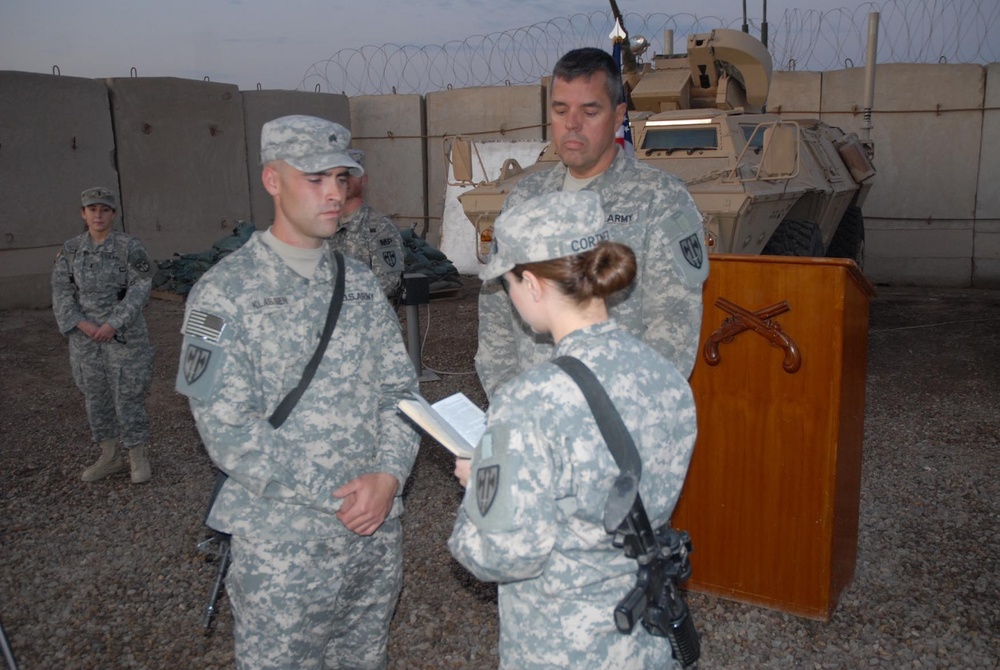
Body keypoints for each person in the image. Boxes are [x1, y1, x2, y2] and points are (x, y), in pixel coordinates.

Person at [175, 115, 419, 670]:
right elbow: (227, 430)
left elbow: (400, 393)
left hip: (373, 538)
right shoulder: (221, 294)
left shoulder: (357, 282)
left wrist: (389, 476)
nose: (335, 193)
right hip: (284, 550)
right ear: (272, 181)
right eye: (315, 178)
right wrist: (338, 495)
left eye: (341, 177)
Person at [449, 190, 698, 670]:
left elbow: (499, 554)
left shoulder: (529, 400)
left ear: (532, 283)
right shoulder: (664, 374)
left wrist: (481, 484)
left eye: (508, 284)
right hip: (644, 638)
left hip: (559, 646)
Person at [475, 47, 709, 399]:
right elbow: (495, 309)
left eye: (590, 111)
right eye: (560, 110)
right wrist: (511, 402)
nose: (572, 124)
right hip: (531, 416)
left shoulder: (660, 200)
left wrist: (604, 420)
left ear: (617, 117)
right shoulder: (525, 199)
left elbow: (672, 331)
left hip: (611, 422)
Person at [51, 187, 155, 484]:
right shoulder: (70, 250)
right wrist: (82, 324)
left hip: (124, 336)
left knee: (129, 393)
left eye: (104, 209)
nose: (98, 214)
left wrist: (114, 323)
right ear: (83, 214)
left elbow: (141, 287)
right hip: (85, 339)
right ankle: (109, 457)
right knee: (95, 396)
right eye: (92, 209)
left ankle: (137, 456)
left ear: (113, 214)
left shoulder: (129, 247)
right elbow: (61, 292)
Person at [328, 148, 405, 298]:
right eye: (340, 175)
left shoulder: (379, 227)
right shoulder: (319, 225)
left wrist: (338, 301)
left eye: (353, 173)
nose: (346, 180)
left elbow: (388, 283)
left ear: (364, 180)